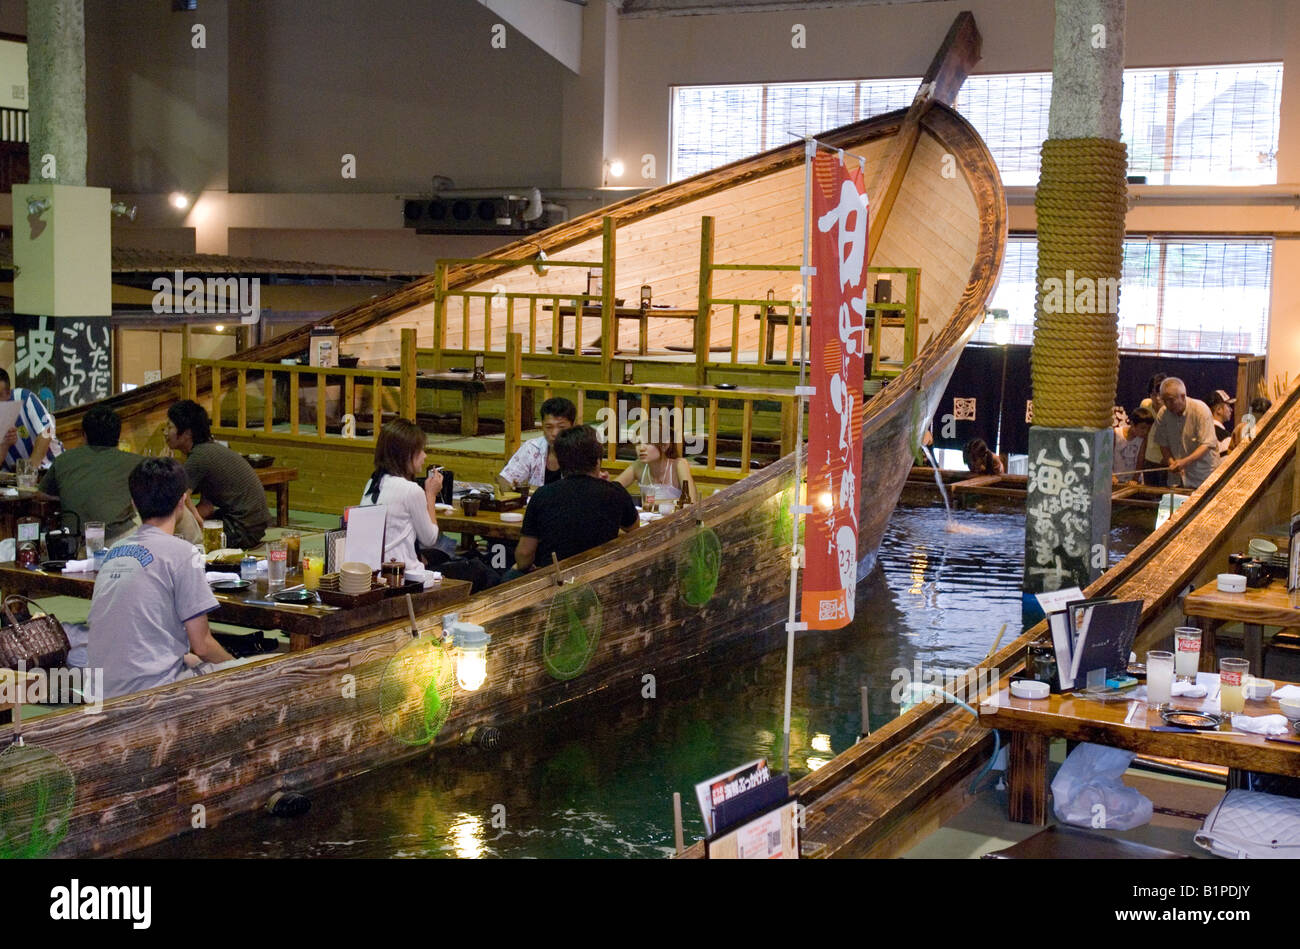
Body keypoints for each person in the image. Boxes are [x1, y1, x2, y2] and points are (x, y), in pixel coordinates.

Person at [88, 457, 234, 699]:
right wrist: (238, 667)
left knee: (191, 658)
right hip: (152, 695)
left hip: (101, 691)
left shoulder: (114, 551)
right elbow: (203, 644)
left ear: (134, 503)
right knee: (260, 670)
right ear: (182, 502)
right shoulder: (183, 553)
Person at [509, 425, 638, 577]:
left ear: (560, 462)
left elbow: (524, 554)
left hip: (554, 581)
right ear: (597, 461)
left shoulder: (543, 495)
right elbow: (635, 530)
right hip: (601, 576)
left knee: (509, 576)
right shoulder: (615, 492)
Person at [165, 400, 271, 548]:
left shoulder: (199, 456)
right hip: (253, 526)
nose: (165, 432)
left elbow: (181, 496)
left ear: (187, 433)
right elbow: (206, 508)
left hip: (241, 528)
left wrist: (191, 524)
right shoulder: (208, 450)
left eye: (170, 427)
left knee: (177, 539)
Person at [39, 404, 141, 544]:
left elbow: (41, 494)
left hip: (73, 544)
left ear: (84, 435)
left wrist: (70, 494)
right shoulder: (135, 462)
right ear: (118, 436)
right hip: (118, 541)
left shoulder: (64, 459)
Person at [359, 418, 443, 572]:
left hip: (372, 569)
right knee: (479, 571)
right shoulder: (411, 490)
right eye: (420, 450)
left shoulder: (373, 482)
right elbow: (430, 538)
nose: (425, 456)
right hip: (400, 573)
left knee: (441, 556)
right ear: (405, 454)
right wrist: (430, 495)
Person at [1151, 377, 1219, 489]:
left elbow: (1207, 444)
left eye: (1171, 400)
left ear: (1182, 396)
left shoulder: (1200, 410)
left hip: (1202, 475)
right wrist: (1171, 462)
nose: (1168, 404)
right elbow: (1163, 443)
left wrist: (1184, 462)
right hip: (1177, 478)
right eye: (1164, 400)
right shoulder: (1163, 413)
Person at [497, 397, 576, 494]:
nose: (555, 433)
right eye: (549, 427)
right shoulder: (532, 448)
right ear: (542, 425)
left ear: (572, 426)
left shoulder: (580, 451)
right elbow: (505, 480)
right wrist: (510, 488)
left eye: (561, 427)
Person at [0, 368, 62, 471]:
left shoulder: (24, 397)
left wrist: (28, 471)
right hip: (13, 479)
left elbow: (47, 431)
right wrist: (5, 445)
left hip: (52, 466)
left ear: (8, 393)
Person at [614, 435, 699, 505]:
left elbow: (691, 501)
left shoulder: (679, 464)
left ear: (664, 445)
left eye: (648, 443)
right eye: (638, 443)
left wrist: (655, 502)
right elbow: (611, 490)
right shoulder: (638, 465)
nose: (641, 448)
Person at [1139, 371, 1168, 485]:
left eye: (1160, 394)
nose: (1157, 398)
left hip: (1164, 461)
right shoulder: (1145, 405)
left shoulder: (1171, 410)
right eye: (1153, 394)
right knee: (1149, 494)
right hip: (1149, 458)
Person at [1113, 405, 1154, 483]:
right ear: (1132, 424)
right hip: (1115, 479)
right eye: (1142, 428)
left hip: (1133, 480)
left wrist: (1134, 479)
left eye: (1148, 429)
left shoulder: (1143, 439)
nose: (1145, 432)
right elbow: (1108, 458)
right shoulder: (1116, 434)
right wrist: (1112, 476)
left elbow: (1140, 461)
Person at [1208, 389, 1235, 457]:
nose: (1231, 410)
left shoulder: (1202, 431)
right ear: (1219, 410)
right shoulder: (1225, 437)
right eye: (1228, 406)